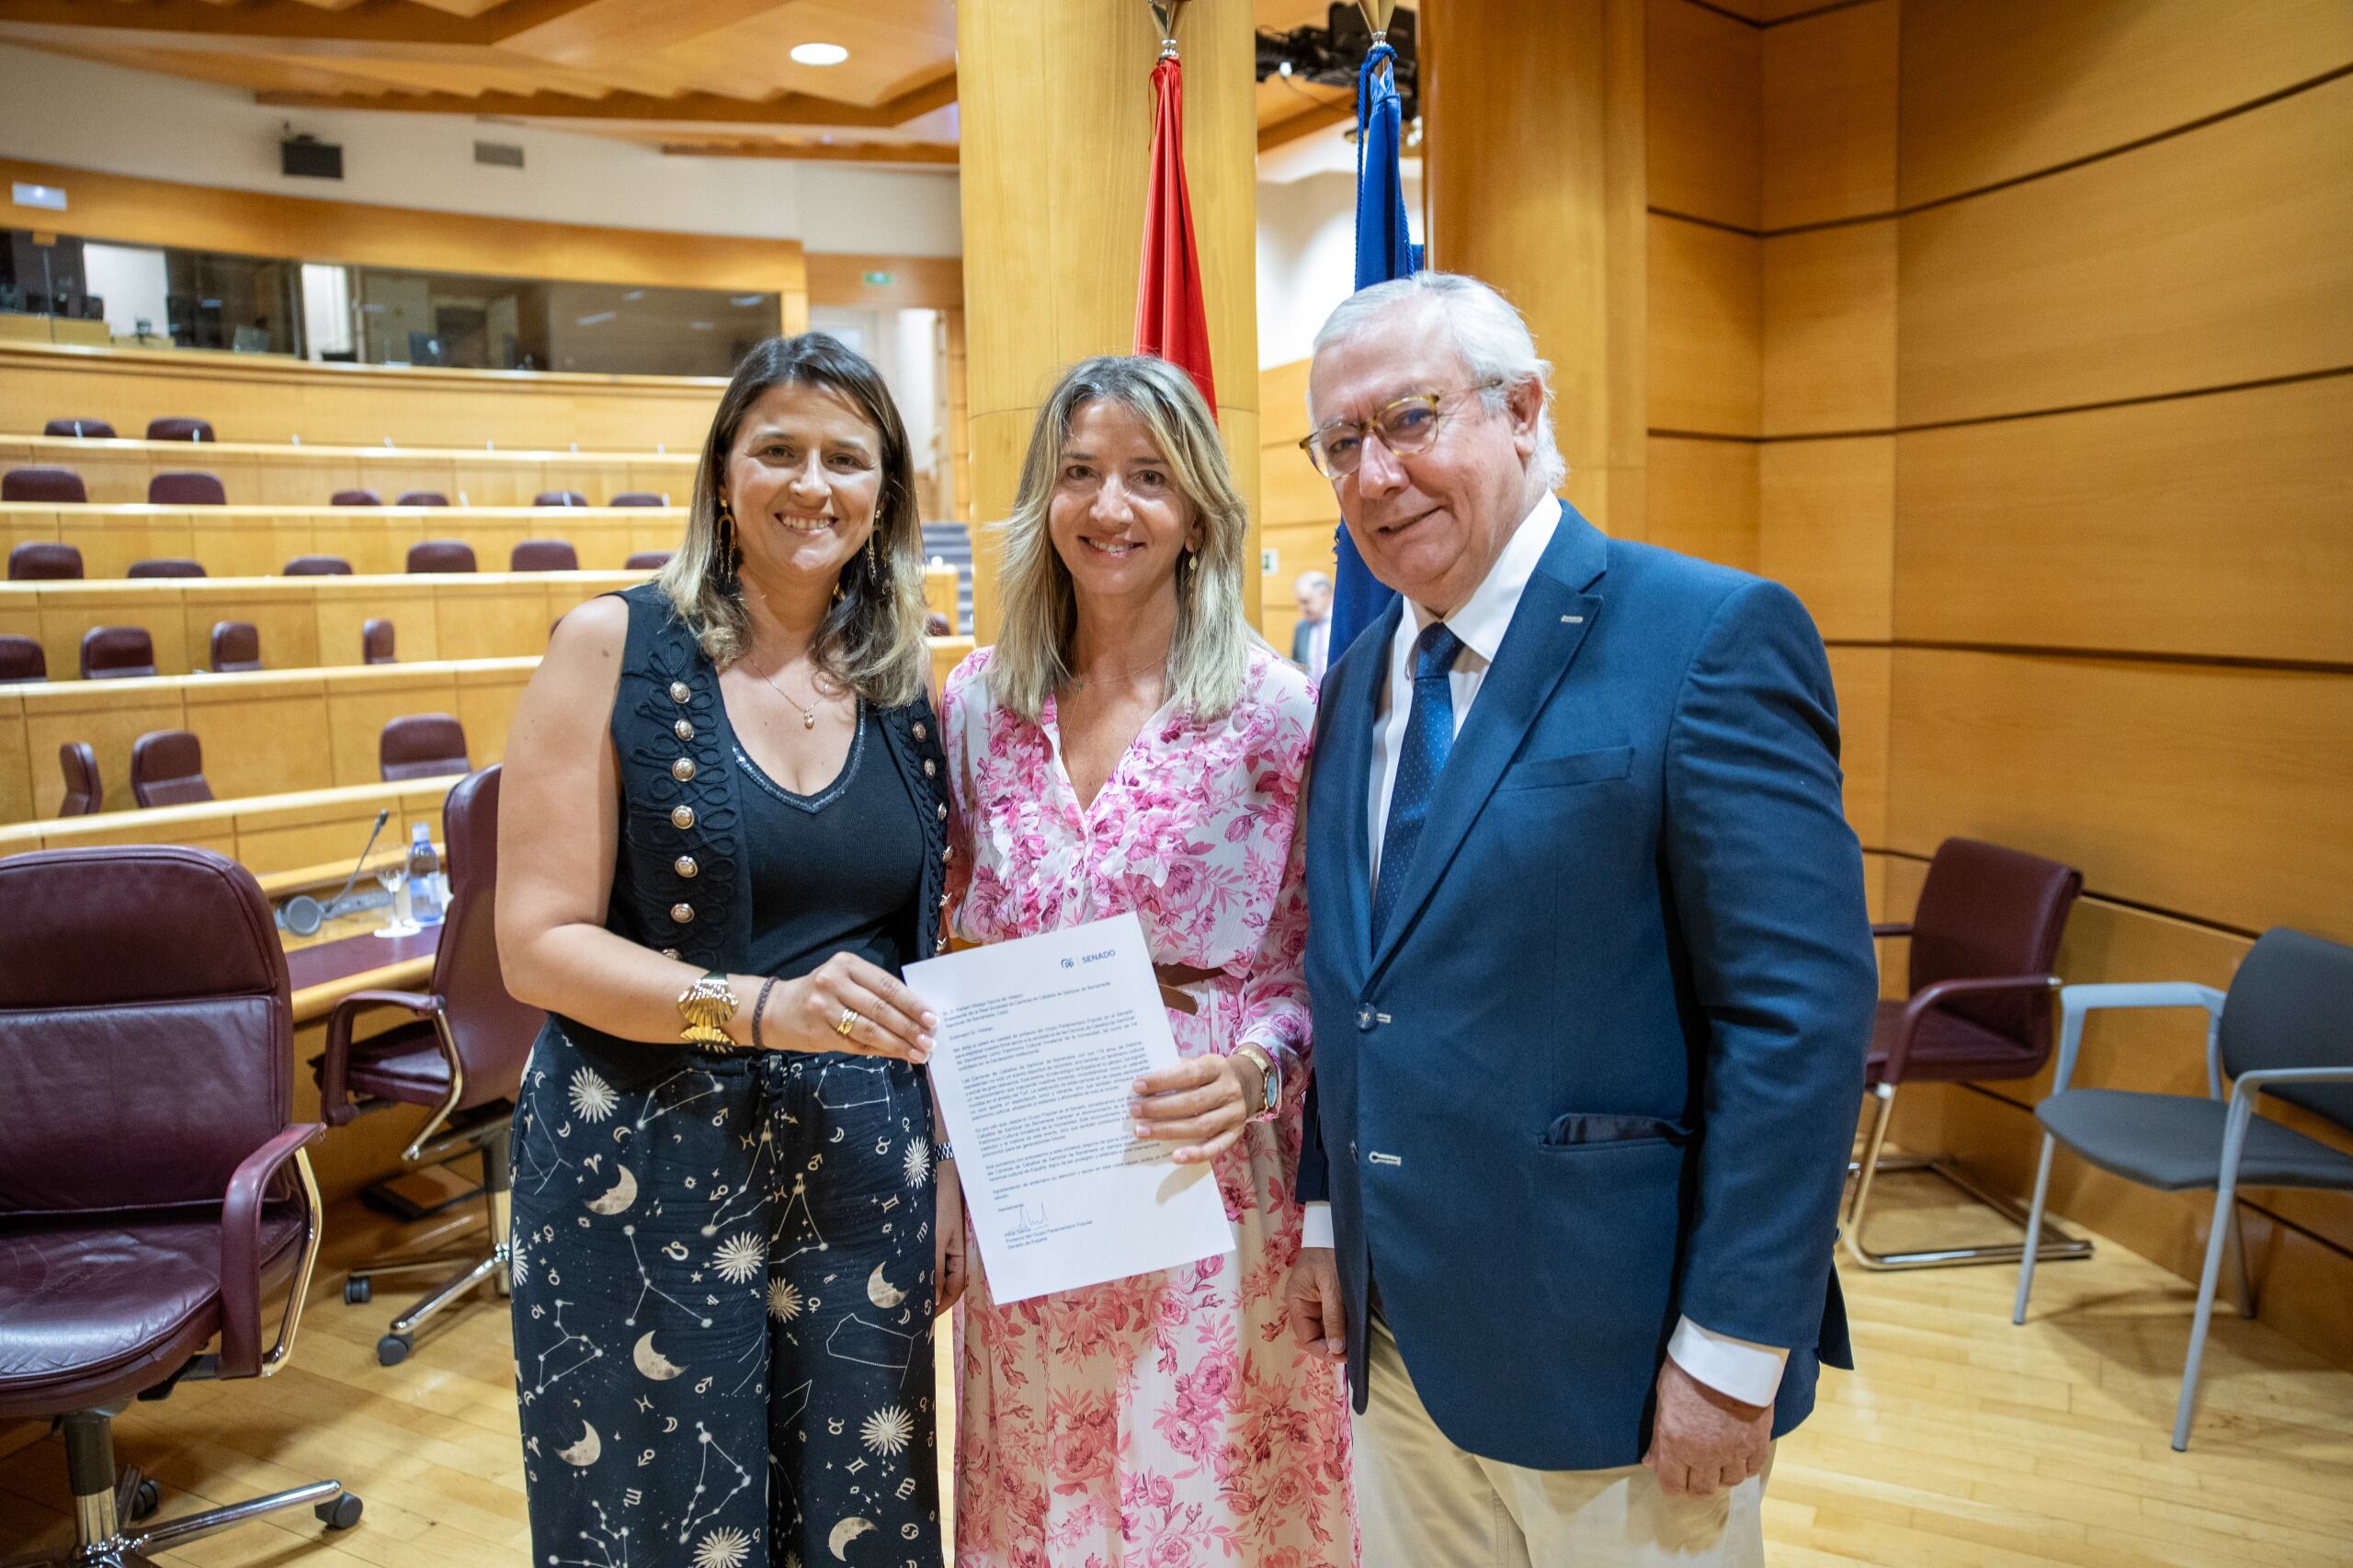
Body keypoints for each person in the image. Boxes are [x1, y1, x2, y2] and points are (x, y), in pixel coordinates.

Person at [1282, 273, 1876, 1567]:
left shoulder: (1707, 636)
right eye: (1341, 442)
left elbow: (1798, 1019)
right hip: (1399, 1344)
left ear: (1523, 410)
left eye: (1412, 419)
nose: (1375, 474)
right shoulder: (1349, 687)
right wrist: (1330, 1216)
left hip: (1620, 1358)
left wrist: (1731, 1351)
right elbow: (1355, 989)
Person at [497, 333, 966, 1568]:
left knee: (858, 1512)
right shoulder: (611, 643)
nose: (813, 484)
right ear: (723, 475)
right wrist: (759, 1007)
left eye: (847, 458)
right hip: (641, 1164)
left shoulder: (906, 677)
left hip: (861, 1172)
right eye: (780, 450)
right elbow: (534, 948)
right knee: (663, 1520)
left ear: (885, 493)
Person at [942, 355, 1354, 1567]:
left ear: (1197, 515)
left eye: (1146, 477)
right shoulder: (977, 703)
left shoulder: (1276, 710)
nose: (1109, 508)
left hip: (1202, 1171)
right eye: (1079, 474)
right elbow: (950, 933)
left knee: (1203, 1500)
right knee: (1043, 1481)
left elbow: (1318, 959)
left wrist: (1259, 1071)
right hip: (1032, 1167)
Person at [1290, 569, 1335, 679]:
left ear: (1325, 594)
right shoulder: (1300, 628)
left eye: (1306, 602)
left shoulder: (1343, 625)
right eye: (1300, 603)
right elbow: (1296, 667)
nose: (1302, 608)